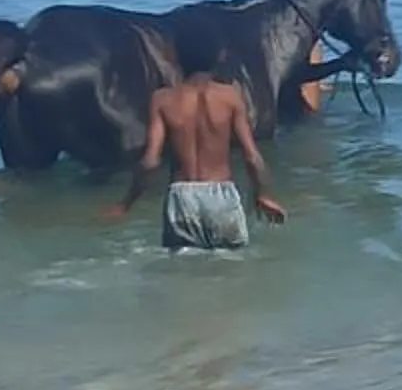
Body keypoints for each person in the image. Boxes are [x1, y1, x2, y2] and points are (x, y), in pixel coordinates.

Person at [110, 62, 287, 251]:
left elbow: (150, 161)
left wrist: (125, 203)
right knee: (233, 271)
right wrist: (263, 194)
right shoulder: (230, 96)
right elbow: (252, 156)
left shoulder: (163, 99)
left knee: (182, 274)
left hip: (181, 198)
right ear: (217, 60)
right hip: (221, 197)